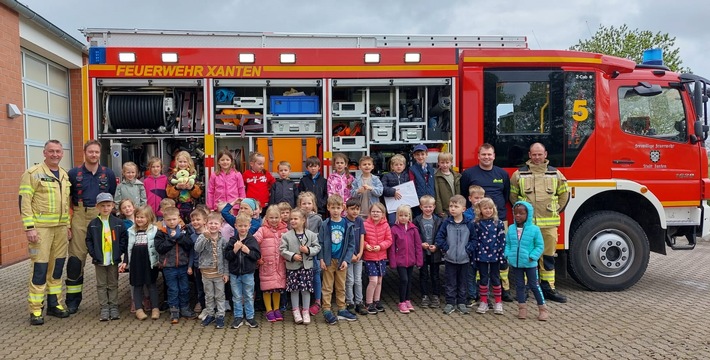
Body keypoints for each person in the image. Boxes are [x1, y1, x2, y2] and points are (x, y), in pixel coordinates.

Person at [19, 139, 72, 325]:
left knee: (57, 268)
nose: (55, 154)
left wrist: (67, 226)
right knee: (40, 269)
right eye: (51, 151)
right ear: (44, 153)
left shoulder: (64, 175)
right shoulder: (33, 174)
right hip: (40, 230)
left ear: (62, 153)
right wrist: (29, 227)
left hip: (60, 229)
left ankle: (54, 304)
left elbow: (65, 204)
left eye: (58, 151)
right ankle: (35, 309)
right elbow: (24, 201)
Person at [509, 142, 570, 303]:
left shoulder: (555, 174)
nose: (537, 157)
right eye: (534, 154)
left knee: (548, 257)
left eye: (539, 154)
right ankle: (527, 289)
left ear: (545, 154)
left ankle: (548, 288)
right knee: (527, 258)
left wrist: (555, 209)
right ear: (529, 155)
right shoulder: (518, 175)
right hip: (528, 227)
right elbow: (513, 197)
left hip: (548, 225)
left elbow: (564, 195)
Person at [66, 140, 117, 314]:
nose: (94, 155)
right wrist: (68, 223)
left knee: (105, 258)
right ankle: (73, 301)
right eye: (90, 152)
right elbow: (67, 199)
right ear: (84, 153)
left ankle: (109, 303)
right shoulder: (73, 173)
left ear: (100, 153)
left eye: (96, 152)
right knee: (75, 260)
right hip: (80, 215)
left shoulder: (108, 174)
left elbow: (112, 194)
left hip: (101, 217)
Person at [460, 143, 513, 302]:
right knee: (479, 254)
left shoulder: (502, 174)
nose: (487, 157)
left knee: (501, 254)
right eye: (483, 154)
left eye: (489, 154)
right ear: (478, 156)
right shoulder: (469, 174)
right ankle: (478, 289)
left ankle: (504, 289)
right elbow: (464, 194)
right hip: (477, 221)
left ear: (494, 156)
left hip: (499, 220)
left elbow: (505, 195)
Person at [86, 193, 128, 321]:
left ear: (113, 206)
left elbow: (123, 238)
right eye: (103, 206)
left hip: (113, 259)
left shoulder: (118, 223)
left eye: (108, 205)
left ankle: (114, 306)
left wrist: (119, 251)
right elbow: (89, 240)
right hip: (99, 260)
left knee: (113, 283)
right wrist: (94, 253)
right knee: (101, 284)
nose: (105, 208)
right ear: (97, 207)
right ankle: (104, 307)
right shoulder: (93, 224)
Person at [505, 201, 549, 321]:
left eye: (521, 213)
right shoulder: (511, 228)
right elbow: (507, 244)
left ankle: (542, 309)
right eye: (515, 213)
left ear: (528, 215)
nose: (518, 216)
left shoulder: (534, 229)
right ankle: (522, 309)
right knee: (519, 286)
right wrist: (508, 254)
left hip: (530, 263)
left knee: (534, 285)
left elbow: (539, 246)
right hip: (516, 263)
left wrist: (532, 256)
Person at [318, 194, 357, 324]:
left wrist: (346, 259)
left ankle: (341, 309)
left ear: (343, 208)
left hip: (341, 261)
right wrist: (321, 259)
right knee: (327, 287)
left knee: (341, 286)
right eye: (333, 207)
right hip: (329, 261)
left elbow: (351, 244)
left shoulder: (347, 224)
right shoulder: (325, 224)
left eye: (338, 207)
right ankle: (327, 310)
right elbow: (321, 243)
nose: (335, 210)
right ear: (328, 208)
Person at [436, 195, 476, 315]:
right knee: (450, 282)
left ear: (463, 209)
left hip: (464, 259)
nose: (452, 209)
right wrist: (446, 249)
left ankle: (462, 303)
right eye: (451, 206)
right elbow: (439, 237)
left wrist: (468, 250)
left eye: (456, 206)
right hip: (450, 259)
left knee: (462, 281)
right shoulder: (446, 223)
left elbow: (474, 239)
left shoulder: (469, 223)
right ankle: (450, 303)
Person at [280, 208, 321, 325]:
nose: (292, 221)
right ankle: (295, 311)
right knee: (294, 290)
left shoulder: (311, 235)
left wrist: (308, 250)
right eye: (291, 219)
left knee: (306, 290)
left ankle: (306, 311)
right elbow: (282, 250)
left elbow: (317, 247)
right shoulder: (286, 236)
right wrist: (292, 256)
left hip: (306, 268)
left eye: (295, 219)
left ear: (303, 220)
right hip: (293, 267)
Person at [155, 206, 195, 324]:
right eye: (169, 220)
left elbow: (189, 245)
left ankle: (185, 308)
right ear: (164, 220)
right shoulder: (161, 233)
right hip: (169, 267)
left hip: (183, 265)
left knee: (184, 288)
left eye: (174, 219)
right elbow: (160, 248)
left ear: (178, 218)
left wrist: (180, 237)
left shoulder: (184, 230)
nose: (172, 222)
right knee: (173, 289)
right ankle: (174, 311)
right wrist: (172, 239)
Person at [120, 205, 160, 320]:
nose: (139, 219)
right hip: (136, 262)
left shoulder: (154, 230)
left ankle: (155, 308)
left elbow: (158, 247)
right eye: (137, 217)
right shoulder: (131, 231)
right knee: (137, 285)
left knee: (151, 285)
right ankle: (138, 309)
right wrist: (125, 262)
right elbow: (128, 248)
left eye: (142, 217)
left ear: (149, 217)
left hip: (150, 262)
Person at [225, 214, 261, 329]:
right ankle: (238, 317)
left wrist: (248, 251)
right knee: (236, 296)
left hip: (248, 273)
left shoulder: (252, 240)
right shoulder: (232, 240)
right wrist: (235, 250)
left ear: (249, 226)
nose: (243, 228)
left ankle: (250, 317)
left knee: (249, 295)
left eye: (245, 226)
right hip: (234, 274)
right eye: (240, 226)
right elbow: (227, 256)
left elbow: (257, 255)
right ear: (235, 226)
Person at [194, 212, 229, 329]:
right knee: (209, 295)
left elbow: (225, 259)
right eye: (211, 223)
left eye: (216, 223)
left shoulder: (223, 240)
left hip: (218, 273)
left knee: (219, 295)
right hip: (206, 273)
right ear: (206, 224)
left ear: (221, 225)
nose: (213, 225)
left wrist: (226, 273)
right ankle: (210, 314)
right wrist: (205, 237)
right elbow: (197, 249)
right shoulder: (202, 237)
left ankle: (220, 315)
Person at [253, 205, 288, 322]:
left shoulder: (285, 230)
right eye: (271, 217)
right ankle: (269, 310)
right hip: (266, 264)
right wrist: (258, 258)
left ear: (280, 217)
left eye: (276, 217)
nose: (274, 220)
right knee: (267, 288)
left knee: (277, 288)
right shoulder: (262, 230)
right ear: (267, 218)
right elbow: (254, 243)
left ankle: (277, 309)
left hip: (280, 264)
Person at [472, 198, 506, 315]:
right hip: (482, 255)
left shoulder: (498, 223)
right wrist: (475, 255)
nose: (488, 210)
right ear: (480, 210)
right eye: (485, 208)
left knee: (496, 278)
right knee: (483, 278)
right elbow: (475, 239)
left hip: (495, 255)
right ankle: (484, 302)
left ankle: (498, 302)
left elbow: (502, 240)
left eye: (490, 208)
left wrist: (502, 255)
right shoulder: (476, 223)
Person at [389, 205, 424, 314]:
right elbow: (392, 247)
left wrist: (419, 260)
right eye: (401, 215)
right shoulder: (394, 229)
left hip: (411, 260)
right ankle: (401, 302)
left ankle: (408, 300)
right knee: (404, 280)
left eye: (406, 215)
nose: (403, 217)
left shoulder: (413, 229)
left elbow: (418, 245)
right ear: (397, 216)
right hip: (400, 261)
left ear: (409, 216)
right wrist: (393, 261)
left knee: (409, 281)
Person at [412, 195, 443, 308]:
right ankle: (424, 295)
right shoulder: (416, 220)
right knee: (423, 275)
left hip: (435, 252)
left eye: (430, 206)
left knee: (435, 275)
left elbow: (441, 235)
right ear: (421, 207)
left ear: (434, 207)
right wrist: (420, 244)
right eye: (425, 207)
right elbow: (414, 236)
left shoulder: (439, 221)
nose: (428, 209)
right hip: (423, 253)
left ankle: (436, 295)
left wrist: (437, 245)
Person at [362, 203, 393, 314]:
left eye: (378, 212)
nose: (375, 213)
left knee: (379, 281)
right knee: (373, 280)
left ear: (383, 214)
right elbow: (362, 239)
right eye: (373, 211)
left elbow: (389, 240)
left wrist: (380, 246)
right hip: (370, 257)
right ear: (370, 213)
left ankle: (376, 301)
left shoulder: (385, 225)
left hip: (381, 257)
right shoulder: (365, 224)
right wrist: (366, 246)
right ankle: (368, 302)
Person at [297, 191, 324, 316]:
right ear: (299, 205)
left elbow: (321, 237)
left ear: (313, 205)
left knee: (316, 275)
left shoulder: (318, 219)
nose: (306, 206)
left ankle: (318, 301)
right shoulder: (297, 217)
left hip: (314, 253)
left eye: (309, 203)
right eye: (304, 203)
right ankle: (305, 302)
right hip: (301, 253)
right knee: (303, 276)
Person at [343, 198, 367, 316]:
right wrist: (350, 255)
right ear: (346, 209)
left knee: (358, 280)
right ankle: (350, 302)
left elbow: (362, 237)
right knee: (350, 280)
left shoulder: (360, 221)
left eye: (357, 209)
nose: (355, 212)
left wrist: (360, 253)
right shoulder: (344, 222)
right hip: (348, 257)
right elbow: (344, 241)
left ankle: (359, 302)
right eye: (352, 209)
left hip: (358, 256)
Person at [166, 150, 202, 224]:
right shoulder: (173, 176)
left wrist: (191, 188)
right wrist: (177, 187)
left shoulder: (193, 175)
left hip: (192, 206)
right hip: (176, 207)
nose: (182, 164)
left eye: (185, 162)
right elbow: (169, 194)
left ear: (189, 163)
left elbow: (198, 194)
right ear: (177, 162)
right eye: (180, 162)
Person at [186, 208, 208, 319]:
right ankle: (203, 307)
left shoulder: (209, 234)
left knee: (209, 288)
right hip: (197, 267)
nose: (195, 222)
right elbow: (191, 253)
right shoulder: (192, 237)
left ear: (205, 221)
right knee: (200, 288)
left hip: (208, 268)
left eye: (198, 219)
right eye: (193, 220)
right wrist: (190, 266)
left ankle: (211, 309)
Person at [381, 154, 409, 224]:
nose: (398, 166)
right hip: (391, 206)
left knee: (405, 222)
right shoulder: (386, 176)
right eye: (396, 165)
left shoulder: (407, 176)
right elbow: (382, 188)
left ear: (404, 166)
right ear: (392, 166)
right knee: (392, 222)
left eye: (401, 164)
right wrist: (393, 192)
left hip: (404, 205)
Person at [409, 144, 435, 217]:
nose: (420, 157)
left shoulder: (431, 169)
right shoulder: (412, 170)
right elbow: (412, 186)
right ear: (414, 156)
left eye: (422, 154)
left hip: (430, 201)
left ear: (426, 154)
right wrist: (416, 200)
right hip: (418, 202)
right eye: (417, 155)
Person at [434, 151, 461, 218]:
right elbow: (437, 195)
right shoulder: (436, 177)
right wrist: (439, 210)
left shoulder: (457, 176)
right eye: (442, 162)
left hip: (456, 207)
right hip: (444, 209)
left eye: (447, 162)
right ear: (438, 163)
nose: (445, 165)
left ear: (451, 163)